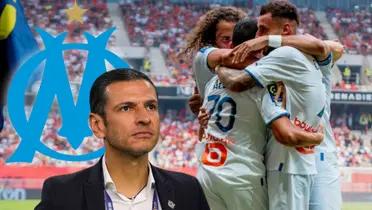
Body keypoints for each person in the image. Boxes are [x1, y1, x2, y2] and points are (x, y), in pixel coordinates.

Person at [35, 69, 210, 210]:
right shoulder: (62, 195)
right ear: (97, 125)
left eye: (150, 106)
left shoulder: (187, 191)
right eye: (126, 108)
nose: (145, 118)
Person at [214, 1, 331, 209]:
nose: (258, 35)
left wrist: (219, 67)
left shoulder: (283, 55)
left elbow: (237, 82)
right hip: (302, 164)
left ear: (285, 29)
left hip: (285, 166)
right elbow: (325, 47)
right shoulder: (310, 56)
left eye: (263, 29)